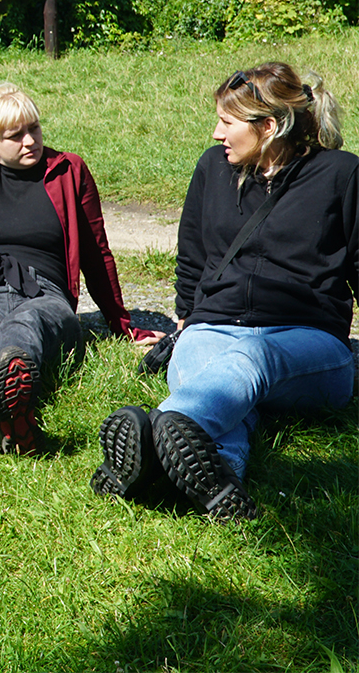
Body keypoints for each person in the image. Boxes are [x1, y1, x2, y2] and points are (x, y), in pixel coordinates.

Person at [92, 64, 355, 521]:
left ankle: (158, 436)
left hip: (308, 341)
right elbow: (192, 256)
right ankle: (218, 478)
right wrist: (184, 323)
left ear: (268, 127)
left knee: (250, 361)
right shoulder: (212, 168)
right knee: (210, 372)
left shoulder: (341, 174)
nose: (217, 134)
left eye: (227, 123)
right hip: (214, 326)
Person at [0, 82, 154, 455]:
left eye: (33, 128)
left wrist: (122, 323)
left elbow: (97, 251)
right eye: (14, 135)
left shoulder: (68, 169)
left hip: (43, 290)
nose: (29, 141)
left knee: (29, 326)